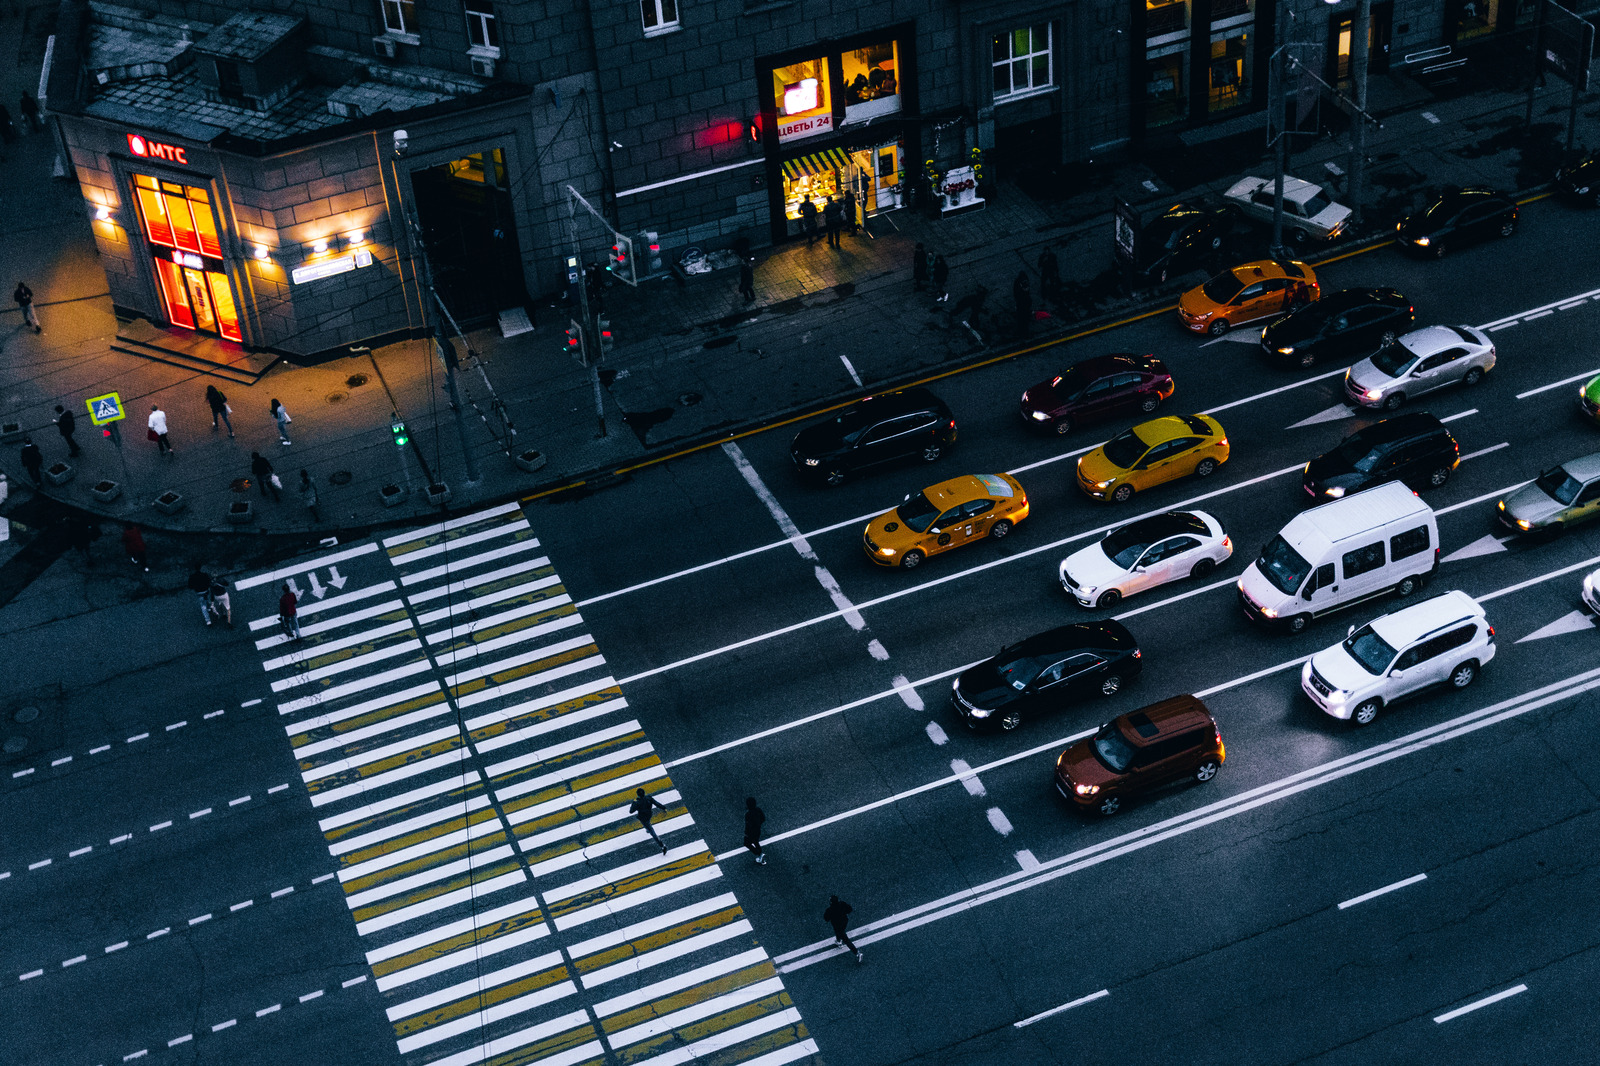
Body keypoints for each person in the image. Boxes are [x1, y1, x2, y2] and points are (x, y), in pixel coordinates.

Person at [823, 895, 863, 963]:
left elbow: (826, 918)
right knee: (839, 932)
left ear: (831, 902)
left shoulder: (830, 910)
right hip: (844, 922)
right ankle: (839, 941)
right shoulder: (842, 904)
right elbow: (849, 909)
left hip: (837, 925)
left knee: (846, 940)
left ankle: (857, 953)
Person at [629, 787, 669, 855]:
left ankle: (662, 846)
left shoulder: (637, 802)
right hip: (649, 814)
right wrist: (663, 808)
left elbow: (631, 811)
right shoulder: (649, 798)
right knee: (648, 825)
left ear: (638, 794)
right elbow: (657, 803)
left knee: (652, 832)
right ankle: (647, 829)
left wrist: (634, 802)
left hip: (643, 818)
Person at [743, 797, 767, 865]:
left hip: (751, 833)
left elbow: (748, 826)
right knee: (756, 842)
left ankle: (759, 853)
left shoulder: (748, 814)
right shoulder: (758, 810)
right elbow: (763, 818)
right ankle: (760, 855)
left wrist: (746, 833)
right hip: (758, 830)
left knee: (746, 843)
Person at [1013, 271, 1033, 336]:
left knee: (1021, 319)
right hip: (1023, 304)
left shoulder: (1017, 283)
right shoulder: (1022, 284)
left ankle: (1021, 331)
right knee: (1024, 319)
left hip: (1021, 305)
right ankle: (1024, 331)